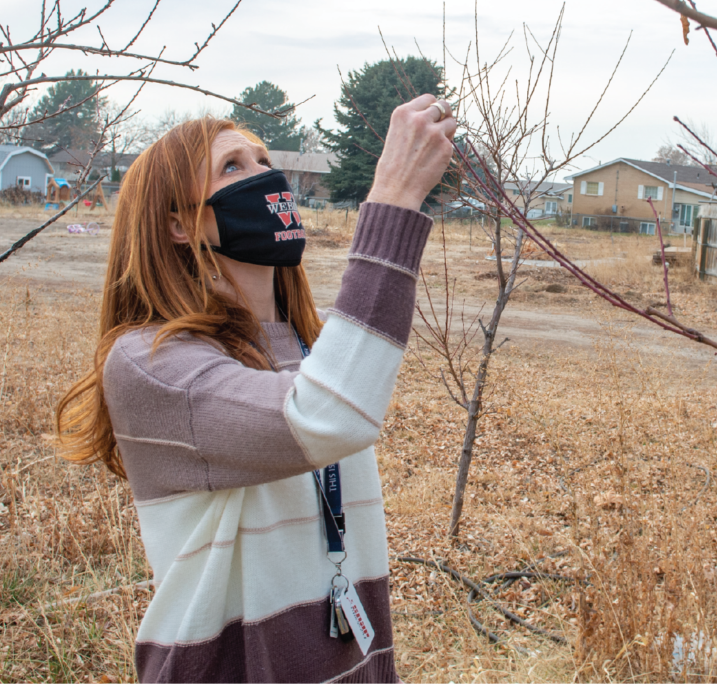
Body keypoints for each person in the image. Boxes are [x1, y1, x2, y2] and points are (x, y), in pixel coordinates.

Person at [56, 94, 456, 684]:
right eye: (233, 167)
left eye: (265, 160)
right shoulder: (150, 361)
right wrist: (394, 200)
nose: (266, 175)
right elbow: (325, 417)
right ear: (176, 223)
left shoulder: (314, 348)